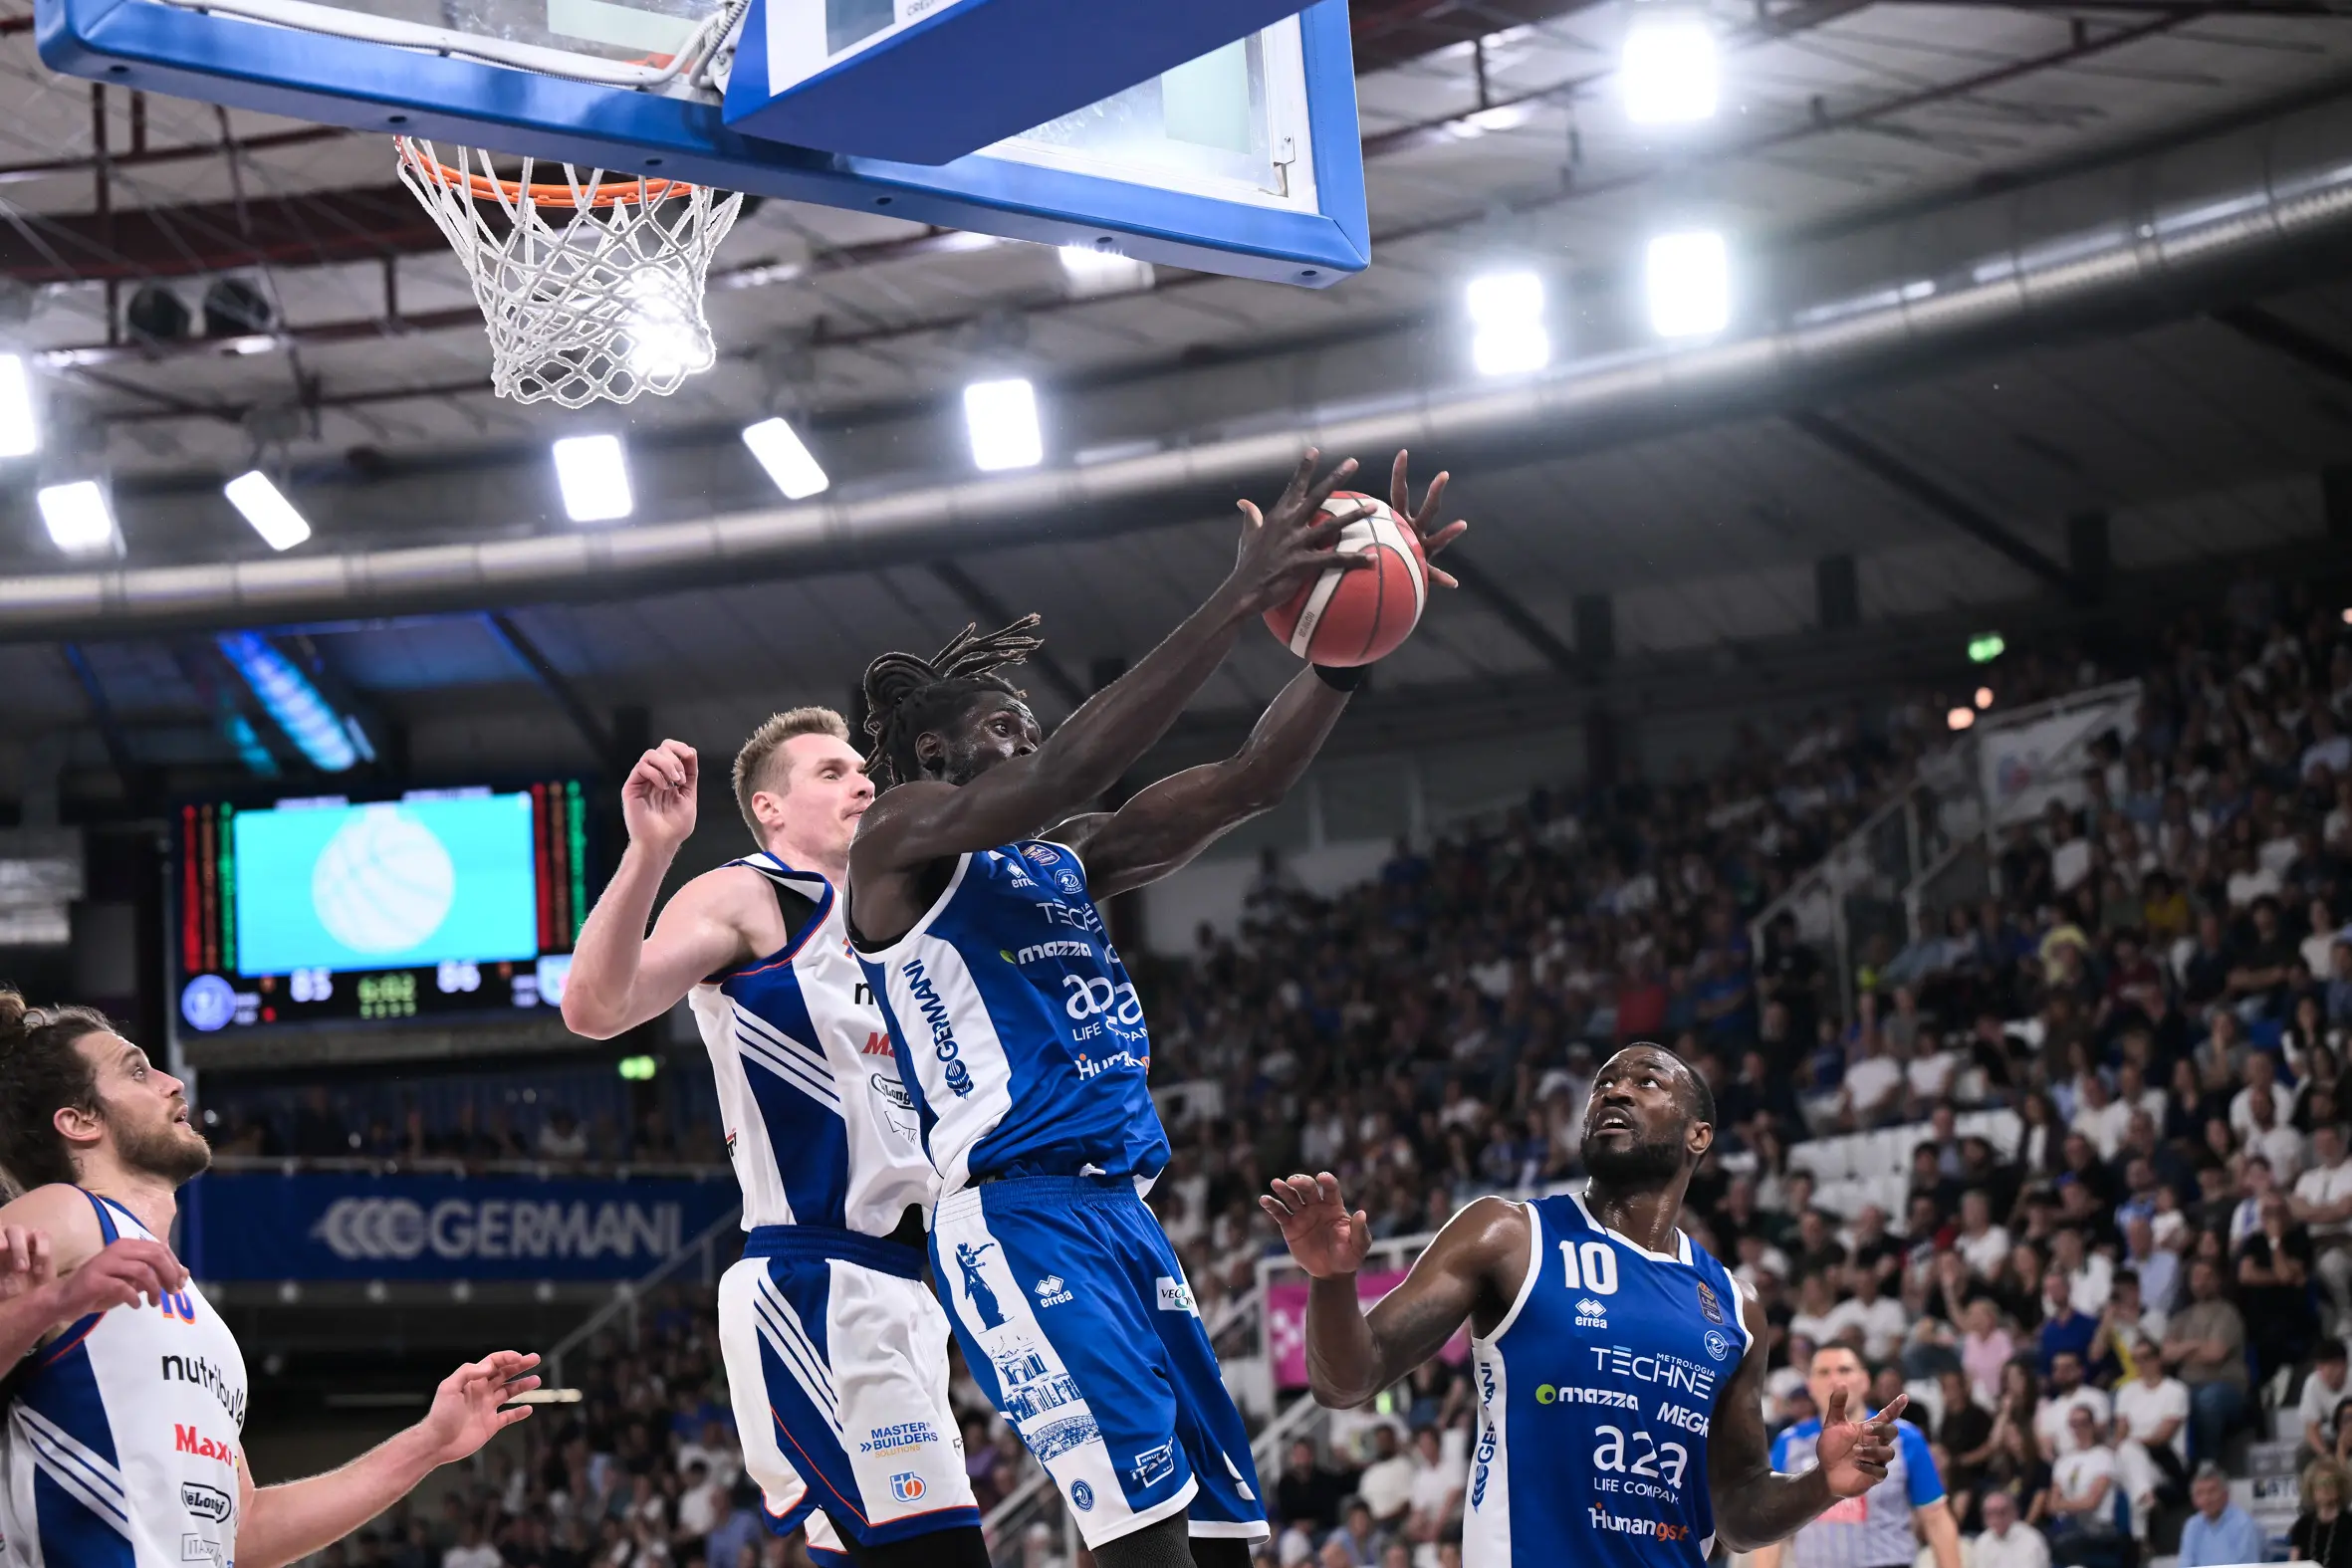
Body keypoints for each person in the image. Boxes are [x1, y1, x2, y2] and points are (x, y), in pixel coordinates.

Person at [846, 449, 1466, 1568]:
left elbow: (1250, 780)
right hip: (1016, 1218)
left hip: (1125, 1220)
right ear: (935, 757)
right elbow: (1064, 773)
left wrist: (1346, 649)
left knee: (1226, 1546)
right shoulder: (896, 843)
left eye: (1027, 725)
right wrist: (1237, 595)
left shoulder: (1072, 860)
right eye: (1002, 729)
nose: (1025, 739)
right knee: (1142, 1544)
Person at [564, 708, 982, 1567]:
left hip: (909, 1288)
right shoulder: (755, 895)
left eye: (861, 769)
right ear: (770, 808)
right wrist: (649, 851)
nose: (860, 781)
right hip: (818, 1278)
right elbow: (596, 1008)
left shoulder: (903, 927)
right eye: (829, 772)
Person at [1261, 1042, 1909, 1568]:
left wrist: (1821, 1484)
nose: (1616, 1091)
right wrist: (1331, 1280)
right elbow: (1347, 1379)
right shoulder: (1508, 1234)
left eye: (1647, 1081)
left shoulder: (1737, 1310)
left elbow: (1736, 1511)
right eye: (1605, 1082)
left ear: (1699, 1134)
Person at [0, 992, 535, 1568]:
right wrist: (49, 1302)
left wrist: (427, 1444)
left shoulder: (196, 1314)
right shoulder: (65, 1214)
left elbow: (245, 1530)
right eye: (137, 1071)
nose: (172, 1083)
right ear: (80, 1122)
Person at [1753, 1344, 1964, 1568]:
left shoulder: (1904, 1438)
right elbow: (1770, 1528)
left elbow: (1936, 1519)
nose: (1835, 1379)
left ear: (1865, 1380)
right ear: (1810, 1386)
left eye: (1844, 1370)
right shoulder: (1789, 1442)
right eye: (1823, 1372)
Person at [2162, 1258, 2250, 1462]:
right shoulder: (2181, 1317)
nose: (2201, 1282)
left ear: (2218, 1281)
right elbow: (2166, 1354)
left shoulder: (2227, 1313)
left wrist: (2183, 1349)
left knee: (2207, 1400)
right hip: (2188, 1387)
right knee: (2171, 1400)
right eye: (2196, 1277)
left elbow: (2215, 1354)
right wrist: (2196, 1345)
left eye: (2207, 1277)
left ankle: (2209, 1462)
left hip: (2226, 1387)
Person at [2178, 1461, 2264, 1568]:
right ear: (2193, 1499)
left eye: (2212, 1491)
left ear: (2226, 1494)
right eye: (2200, 1493)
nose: (2206, 1499)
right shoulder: (2192, 1525)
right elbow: (2186, 1564)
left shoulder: (2244, 1524)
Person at [2292, 1459, 2352, 1568]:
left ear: (2339, 1488)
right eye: (2320, 1485)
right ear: (2311, 1488)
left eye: (2330, 1484)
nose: (2325, 1490)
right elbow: (2293, 1563)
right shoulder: (2303, 1525)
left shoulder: (2348, 1523)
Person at [1971, 1489, 2051, 1568]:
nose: (1995, 1519)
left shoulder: (2031, 1540)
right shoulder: (1982, 1542)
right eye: (1989, 1514)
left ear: (2014, 1513)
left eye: (2001, 1512)